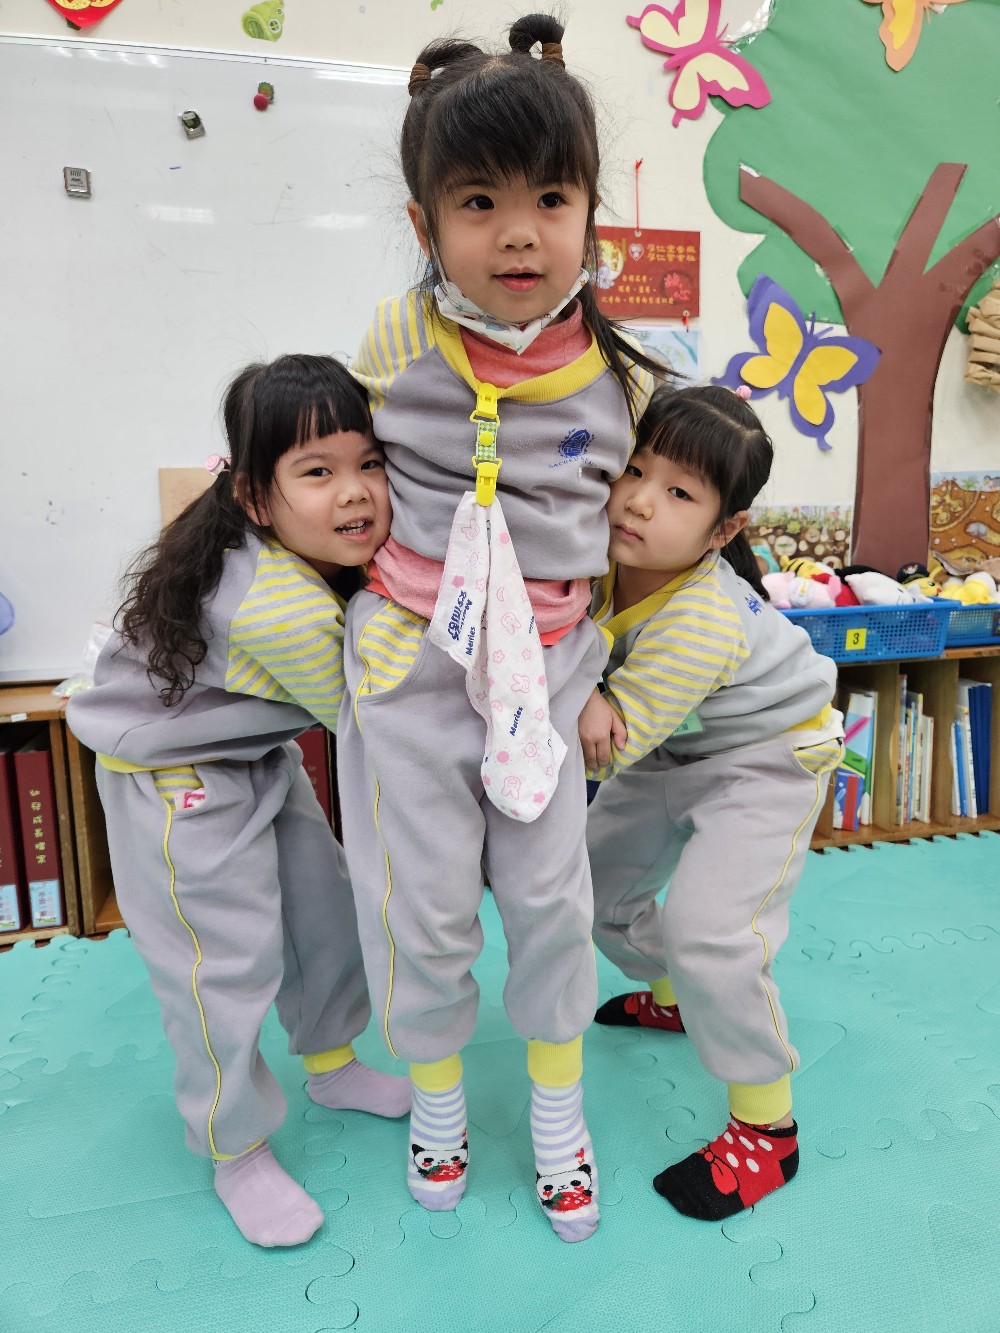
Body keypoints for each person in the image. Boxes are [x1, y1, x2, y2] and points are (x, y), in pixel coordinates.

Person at [337, 14, 660, 1242]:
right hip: (413, 665)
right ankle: (436, 1104)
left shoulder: (625, 377)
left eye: (550, 199)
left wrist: (616, 678)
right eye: (478, 202)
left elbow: (653, 548)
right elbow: (329, 472)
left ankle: (558, 1114)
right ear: (424, 226)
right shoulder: (393, 339)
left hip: (551, 671)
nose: (518, 232)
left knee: (550, 904)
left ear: (590, 215)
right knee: (419, 908)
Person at [66, 354, 411, 1249]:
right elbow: (376, 718)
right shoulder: (276, 607)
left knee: (321, 909)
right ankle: (235, 1147)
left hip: (251, 749)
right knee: (218, 965)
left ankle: (331, 1062)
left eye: (371, 463)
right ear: (256, 496)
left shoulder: (316, 558)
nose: (355, 492)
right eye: (318, 471)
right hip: (173, 778)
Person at [579, 384, 844, 1220]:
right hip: (678, 744)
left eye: (679, 492)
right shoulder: (593, 556)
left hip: (768, 758)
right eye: (634, 469)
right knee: (591, 887)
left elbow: (605, 741)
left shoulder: (701, 620)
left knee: (711, 932)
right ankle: (674, 994)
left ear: (724, 530)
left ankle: (768, 1130)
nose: (639, 500)